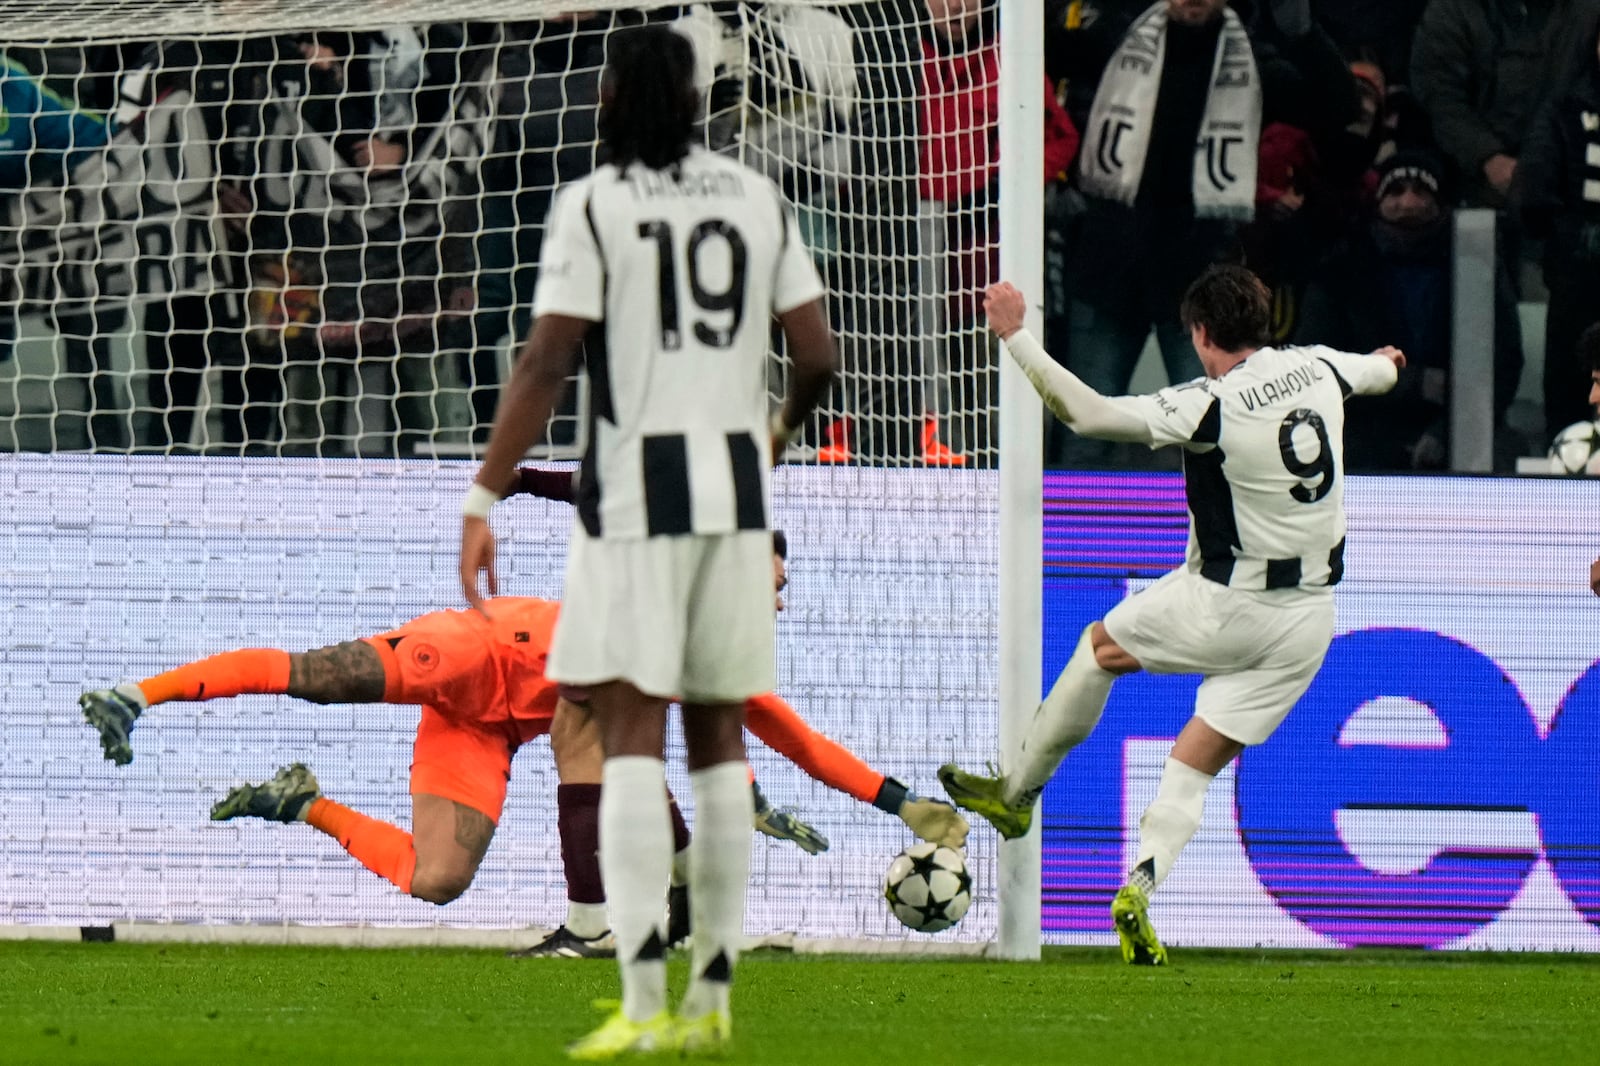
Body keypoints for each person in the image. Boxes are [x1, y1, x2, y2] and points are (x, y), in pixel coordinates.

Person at [457, 24, 837, 1058]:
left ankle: (637, 995)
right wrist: (768, 443)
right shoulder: (756, 198)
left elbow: (543, 363)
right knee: (717, 744)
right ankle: (712, 990)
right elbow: (815, 354)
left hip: (631, 497)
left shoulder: (597, 202)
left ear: (614, 98)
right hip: (731, 494)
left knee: (625, 732)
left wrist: (485, 493)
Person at [80, 518, 964, 951]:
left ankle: (302, 801)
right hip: (474, 658)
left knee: (437, 882)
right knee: (315, 677)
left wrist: (900, 802)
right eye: (771, 578)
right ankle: (137, 693)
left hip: (496, 735)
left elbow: (783, 729)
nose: (780, 595)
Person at [939, 265, 1403, 965]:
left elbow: (1087, 414)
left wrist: (1017, 337)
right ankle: (1141, 885)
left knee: (1100, 646)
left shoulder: (1207, 404)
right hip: (1308, 622)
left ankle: (1018, 793)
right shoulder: (1321, 367)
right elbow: (1382, 373)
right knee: (1195, 762)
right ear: (1267, 320)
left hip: (1229, 601)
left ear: (1200, 333)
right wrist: (1385, 363)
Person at [1297, 150, 1523, 469]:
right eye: (1396, 191)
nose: (1407, 203)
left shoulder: (1476, 267)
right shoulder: (1340, 268)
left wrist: (1448, 430)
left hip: (1460, 424)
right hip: (1362, 426)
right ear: (1379, 201)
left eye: (1420, 191)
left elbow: (1504, 361)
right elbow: (1316, 361)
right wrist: (1414, 383)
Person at [1519, 12, 1600, 440]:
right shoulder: (1566, 108)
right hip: (1579, 281)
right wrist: (1570, 240)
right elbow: (1533, 190)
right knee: (1571, 391)